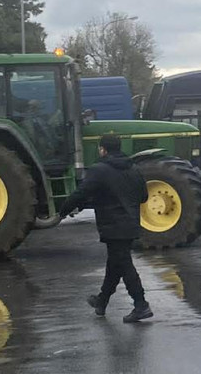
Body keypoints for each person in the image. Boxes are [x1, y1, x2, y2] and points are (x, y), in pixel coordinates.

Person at [61, 134, 152, 323]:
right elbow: (143, 196)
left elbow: (81, 192)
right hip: (130, 224)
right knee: (115, 265)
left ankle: (141, 304)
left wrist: (63, 211)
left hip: (113, 225)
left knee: (124, 264)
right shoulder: (133, 168)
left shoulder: (99, 170)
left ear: (103, 149)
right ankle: (101, 301)